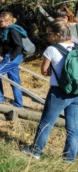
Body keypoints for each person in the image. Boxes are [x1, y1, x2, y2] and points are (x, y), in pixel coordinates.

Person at [21, 20, 78, 162]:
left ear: (58, 34)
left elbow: (44, 71)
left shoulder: (51, 49)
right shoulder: (77, 46)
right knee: (73, 127)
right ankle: (69, 158)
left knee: (46, 123)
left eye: (50, 34)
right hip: (76, 92)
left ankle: (35, 151)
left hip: (58, 92)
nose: (48, 37)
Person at [0, 12, 25, 107]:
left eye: (1, 21)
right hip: (13, 56)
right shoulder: (7, 30)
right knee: (14, 80)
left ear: (8, 21)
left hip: (13, 56)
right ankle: (18, 103)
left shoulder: (13, 30)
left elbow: (19, 45)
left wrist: (11, 57)